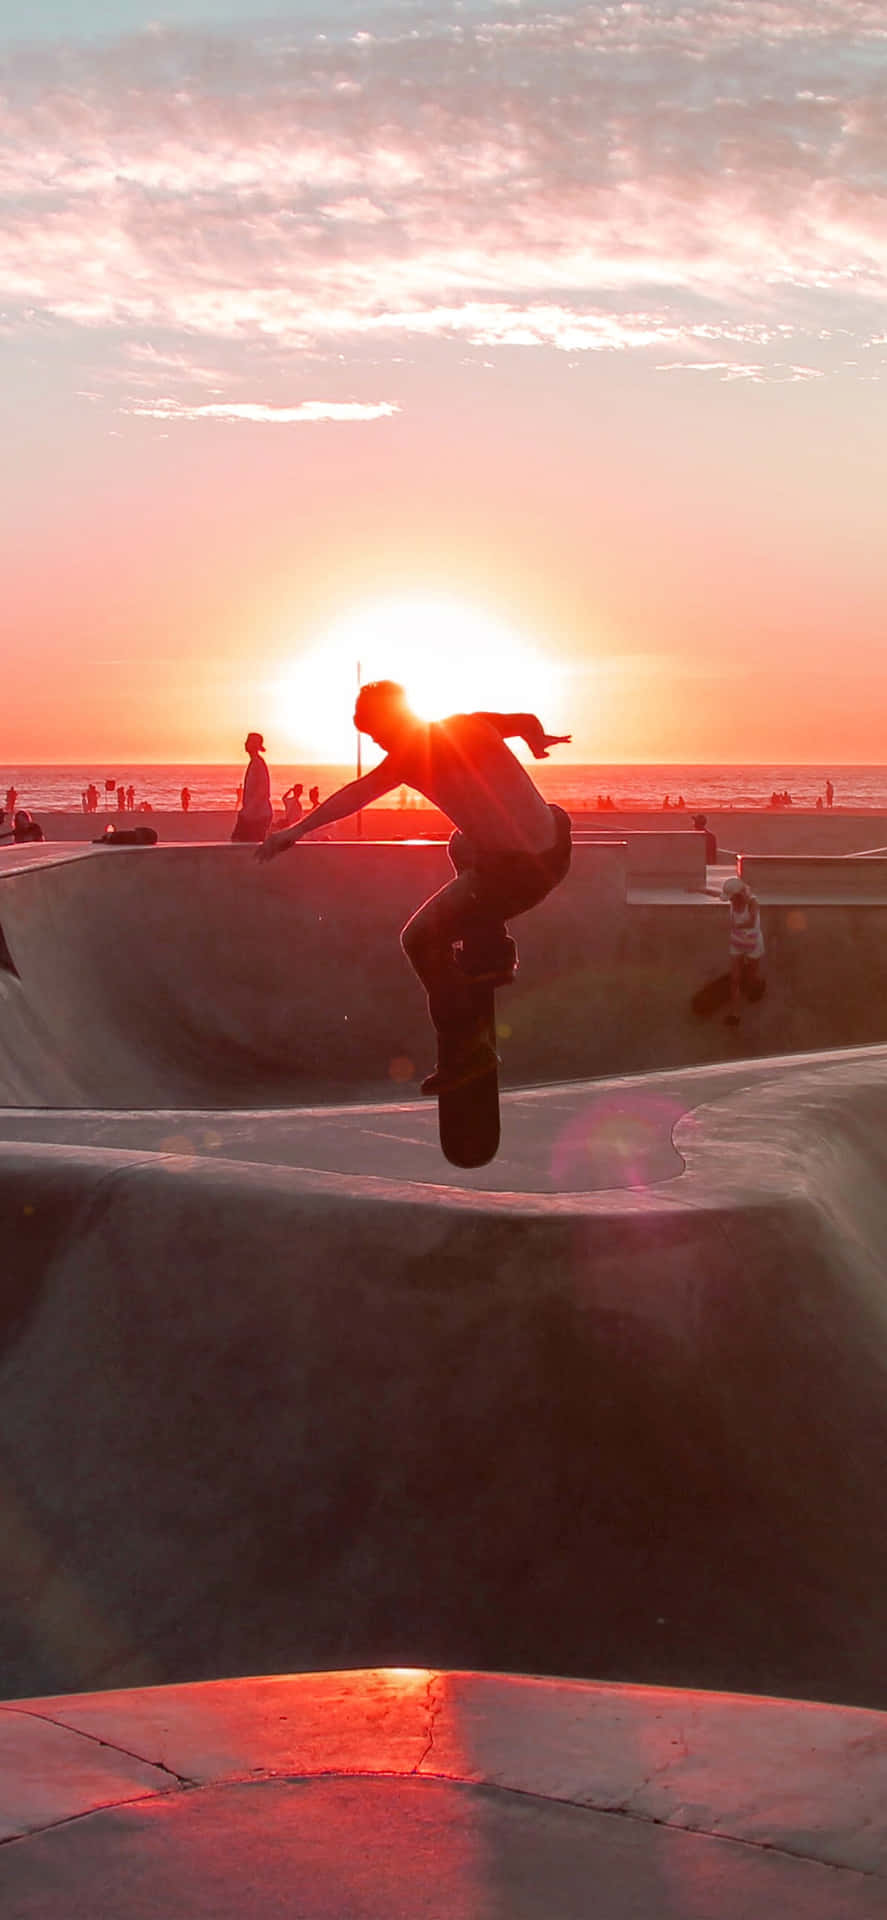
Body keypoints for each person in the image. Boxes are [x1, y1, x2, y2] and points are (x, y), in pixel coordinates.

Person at [257, 681, 572, 1090]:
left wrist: (294, 831)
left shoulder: (408, 756)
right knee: (461, 842)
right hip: (557, 844)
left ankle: (467, 1051)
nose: (380, 746)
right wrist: (537, 741)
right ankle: (493, 945)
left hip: (517, 876)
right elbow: (525, 721)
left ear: (392, 721)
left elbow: (356, 794)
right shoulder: (469, 724)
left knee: (419, 940)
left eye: (377, 735)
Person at [721, 875, 765, 1024]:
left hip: (754, 943)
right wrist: (698, 889)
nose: (730, 901)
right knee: (735, 979)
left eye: (732, 899)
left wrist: (736, 926)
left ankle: (758, 984)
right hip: (737, 943)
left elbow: (752, 921)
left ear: (739, 895)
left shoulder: (753, 902)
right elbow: (715, 893)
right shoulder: (732, 899)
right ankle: (735, 1015)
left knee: (751, 978)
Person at [232, 733, 272, 843]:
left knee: (242, 843)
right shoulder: (254, 762)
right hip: (253, 814)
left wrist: (248, 810)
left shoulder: (258, 763)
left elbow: (262, 791)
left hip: (257, 815)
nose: (245, 743)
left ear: (254, 745)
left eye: (248, 741)